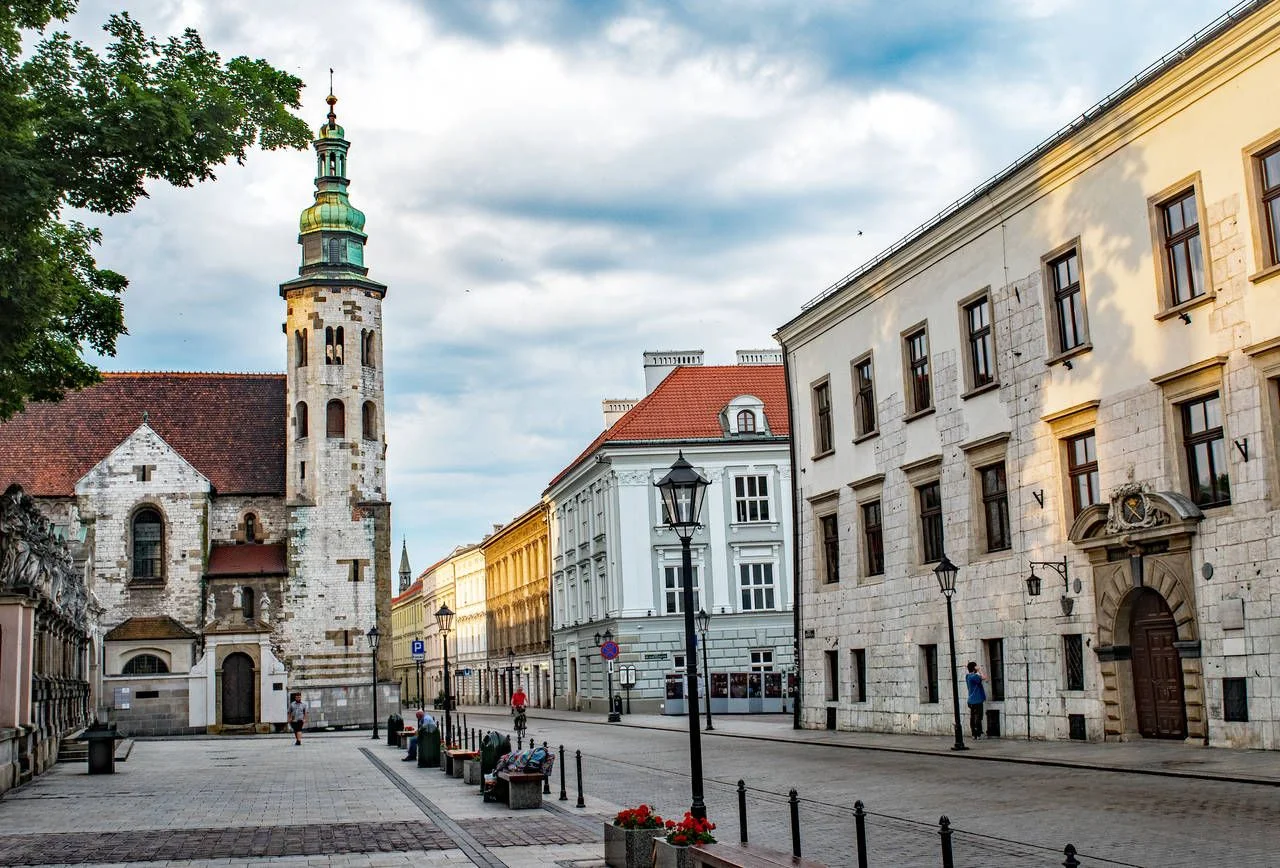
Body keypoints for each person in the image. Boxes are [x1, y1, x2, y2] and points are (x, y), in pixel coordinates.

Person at [965, 662, 987, 739]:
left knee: (973, 717)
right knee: (978, 717)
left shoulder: (967, 676)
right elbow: (984, 677)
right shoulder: (974, 677)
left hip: (971, 700)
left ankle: (974, 734)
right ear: (974, 668)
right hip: (977, 699)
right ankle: (978, 734)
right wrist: (979, 670)